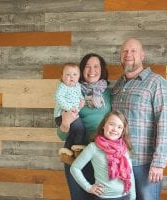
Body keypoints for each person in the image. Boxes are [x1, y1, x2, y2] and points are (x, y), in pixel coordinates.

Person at [111, 38, 167, 200]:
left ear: (142, 56)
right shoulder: (118, 85)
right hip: (118, 162)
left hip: (145, 164)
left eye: (133, 51)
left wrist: (159, 163)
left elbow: (165, 124)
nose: (128, 54)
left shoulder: (156, 82)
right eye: (124, 51)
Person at [57, 53, 111, 200]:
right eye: (87, 66)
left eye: (96, 66)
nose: (91, 70)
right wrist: (65, 123)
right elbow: (61, 135)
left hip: (101, 156)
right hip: (75, 155)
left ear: (102, 69)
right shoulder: (72, 90)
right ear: (81, 70)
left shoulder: (109, 93)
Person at [70, 110, 136, 200]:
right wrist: (88, 187)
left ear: (123, 131)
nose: (115, 129)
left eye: (119, 127)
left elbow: (130, 174)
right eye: (112, 124)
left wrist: (133, 197)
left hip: (125, 196)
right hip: (104, 197)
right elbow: (74, 168)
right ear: (103, 126)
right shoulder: (93, 147)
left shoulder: (124, 148)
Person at [54, 63, 86, 163]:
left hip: (73, 115)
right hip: (62, 115)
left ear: (79, 77)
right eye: (67, 75)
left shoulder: (78, 86)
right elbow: (58, 98)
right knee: (80, 128)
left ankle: (66, 152)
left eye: (74, 75)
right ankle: (78, 149)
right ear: (62, 77)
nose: (71, 77)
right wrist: (70, 108)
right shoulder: (62, 86)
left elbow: (80, 96)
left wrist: (82, 101)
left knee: (73, 132)